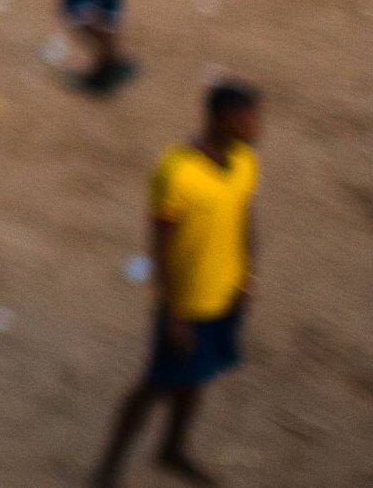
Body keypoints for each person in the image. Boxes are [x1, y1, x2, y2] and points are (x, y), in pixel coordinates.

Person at [90, 82, 262, 488]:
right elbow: (161, 245)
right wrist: (171, 312)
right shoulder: (177, 171)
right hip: (184, 306)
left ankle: (173, 449)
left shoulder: (244, 161)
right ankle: (107, 471)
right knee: (154, 386)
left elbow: (246, 217)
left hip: (223, 296)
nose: (256, 126)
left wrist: (247, 277)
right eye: (248, 118)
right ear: (222, 119)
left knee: (198, 375)